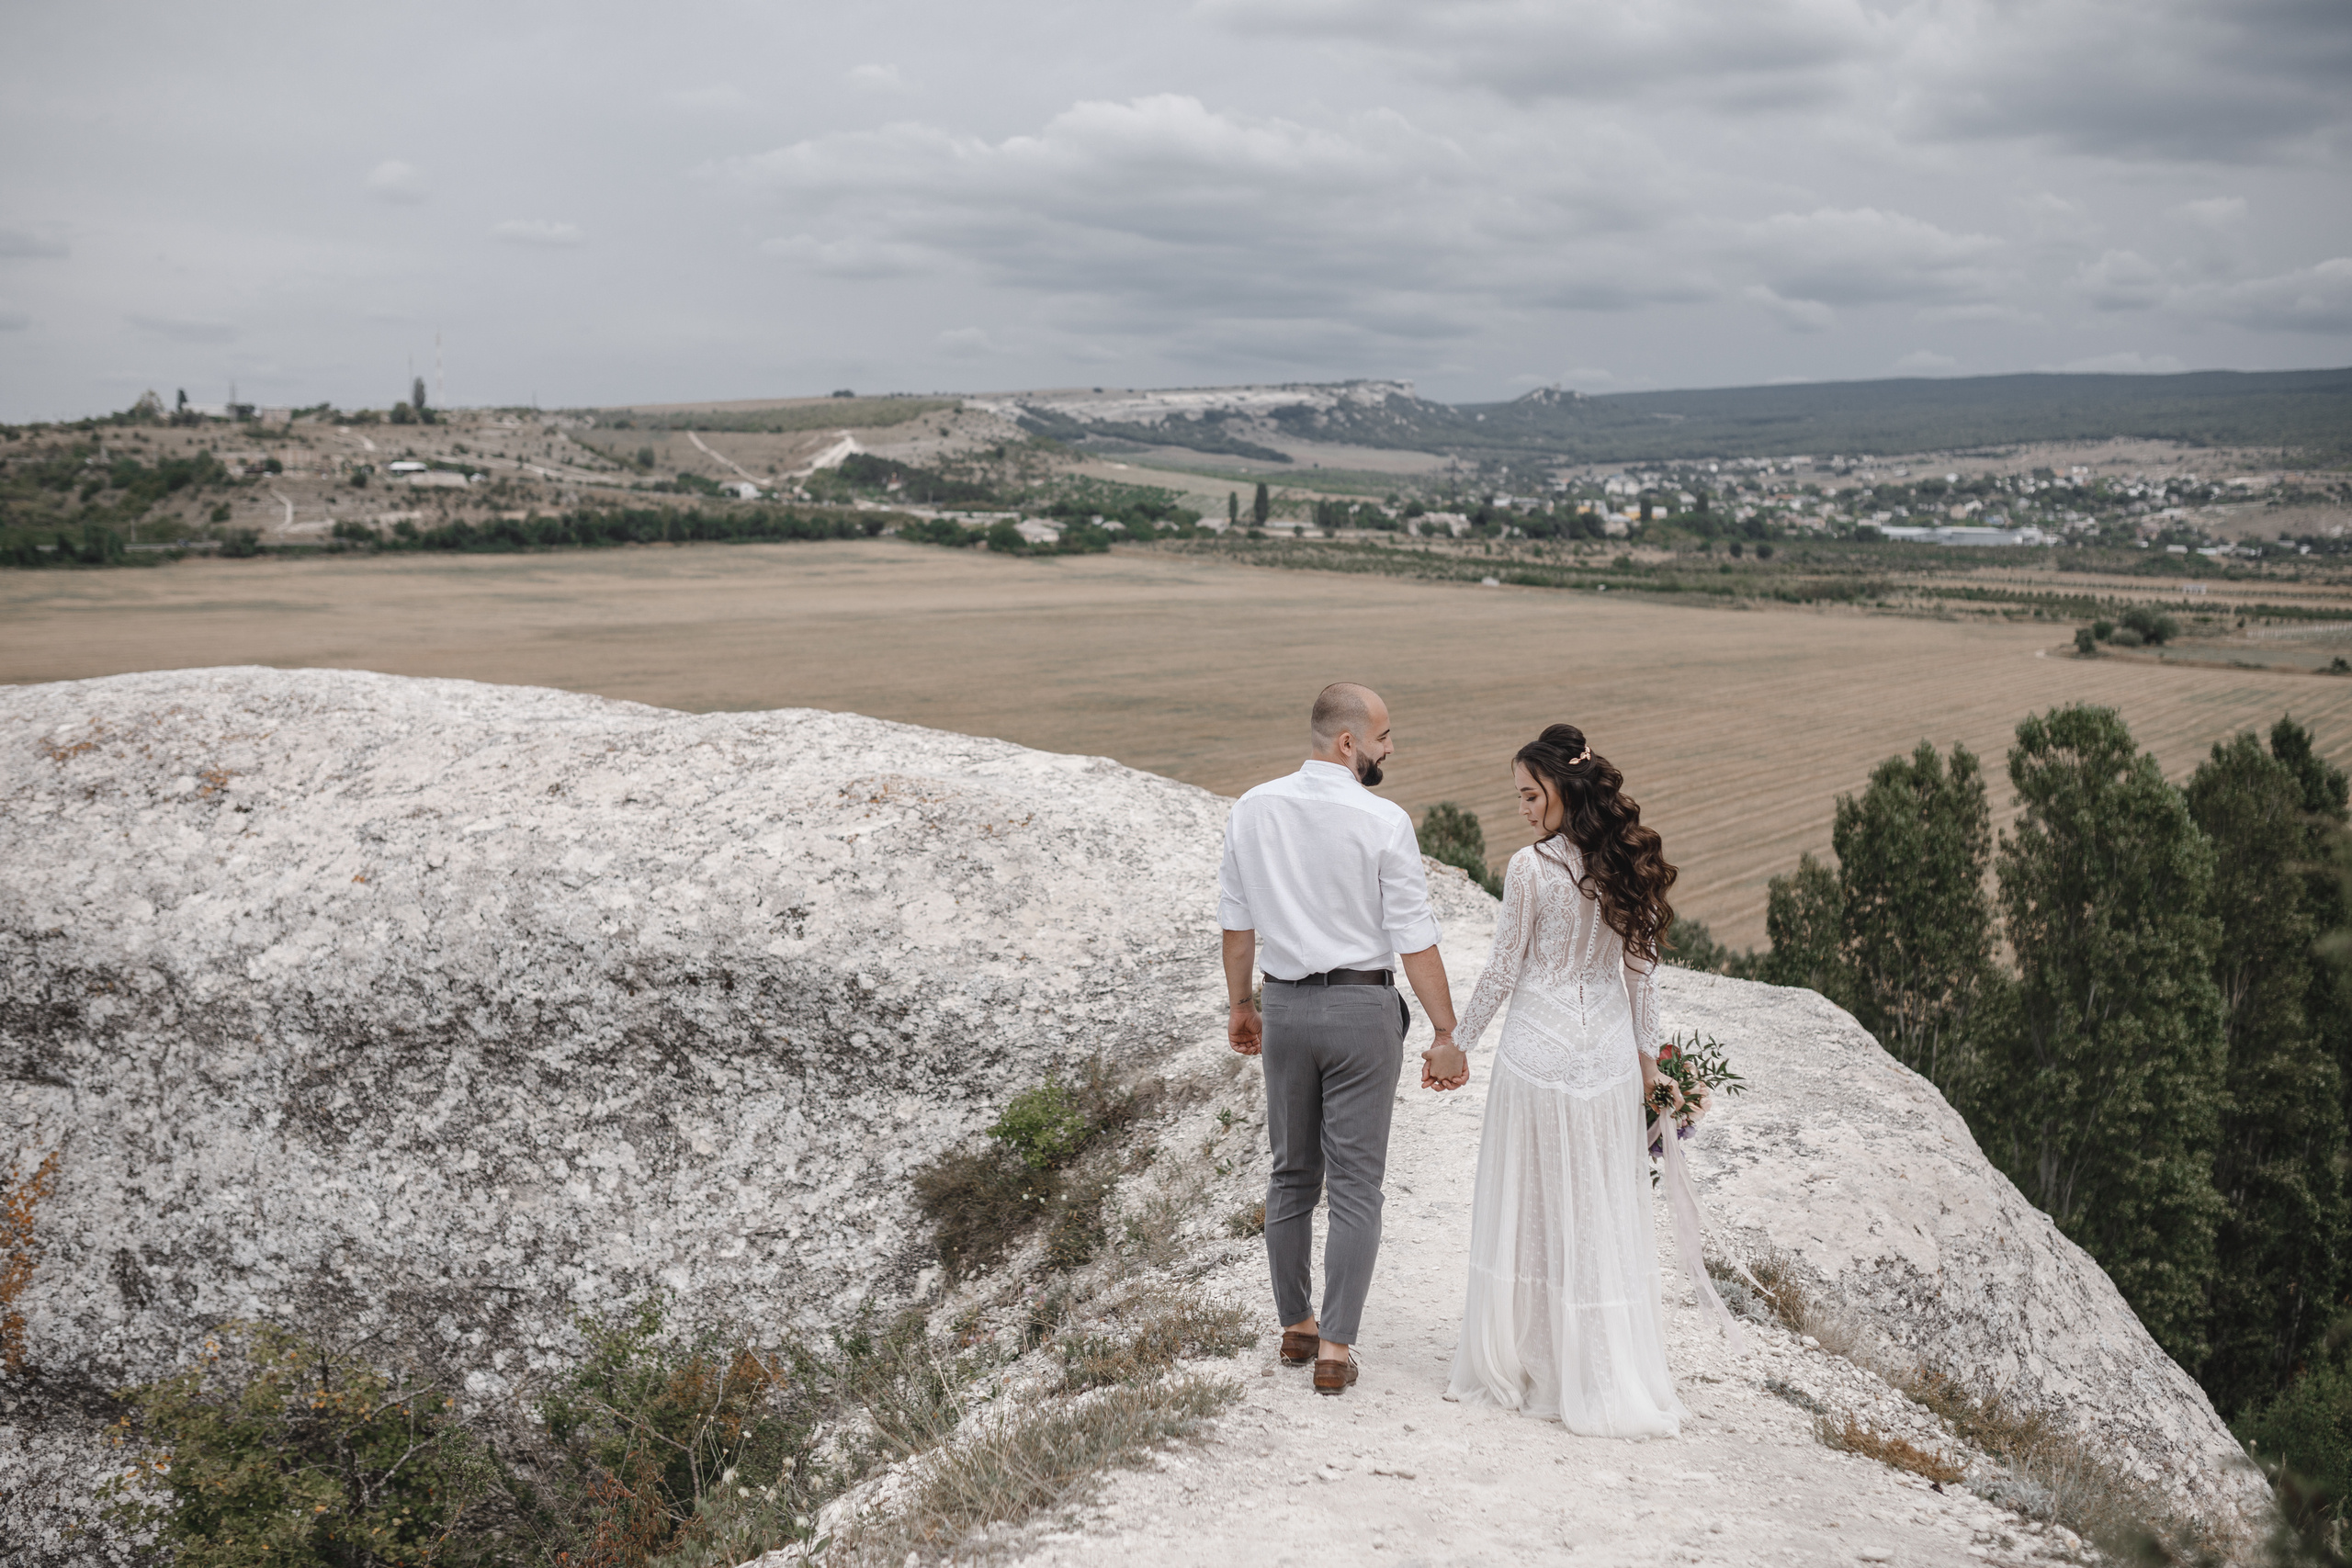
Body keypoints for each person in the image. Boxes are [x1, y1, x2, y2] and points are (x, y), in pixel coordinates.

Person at [1218, 682, 1465, 1397]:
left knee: (1291, 1172)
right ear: (1348, 741)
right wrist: (1445, 1031)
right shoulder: (1384, 820)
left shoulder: (1252, 808)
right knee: (1356, 1184)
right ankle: (1334, 1349)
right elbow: (1414, 941)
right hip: (1362, 1010)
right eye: (1384, 736)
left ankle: (1294, 1324)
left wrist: (1242, 1005)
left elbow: (1238, 926)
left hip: (1287, 1008)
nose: (1391, 747)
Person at [1444, 722, 1689, 1437]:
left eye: (1529, 794)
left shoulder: (1529, 869)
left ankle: (1535, 1360)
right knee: (1599, 1209)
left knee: (1534, 1208)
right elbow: (1641, 978)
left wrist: (1456, 1044)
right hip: (1607, 1057)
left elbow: (1503, 968)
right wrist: (1651, 1065)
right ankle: (1601, 1364)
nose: (1522, 808)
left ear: (1563, 788)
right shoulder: (1628, 861)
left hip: (1536, 1058)